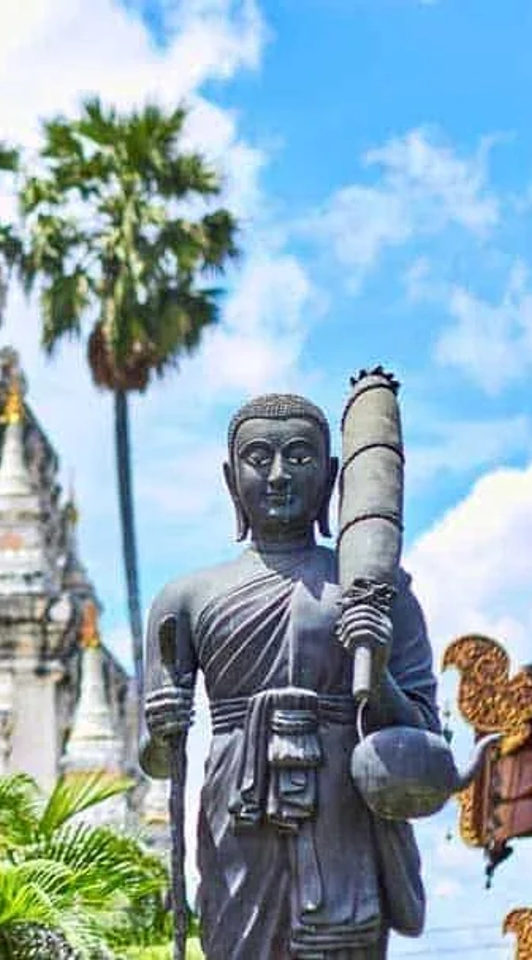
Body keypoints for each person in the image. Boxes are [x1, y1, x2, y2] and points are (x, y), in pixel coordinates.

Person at [140, 393, 439, 959]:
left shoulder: (379, 590)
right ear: (232, 480)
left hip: (344, 818)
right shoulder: (185, 599)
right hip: (239, 819)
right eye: (259, 458)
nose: (278, 476)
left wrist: (374, 675)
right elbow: (156, 762)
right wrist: (163, 730)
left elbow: (425, 740)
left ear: (330, 477)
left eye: (299, 458)